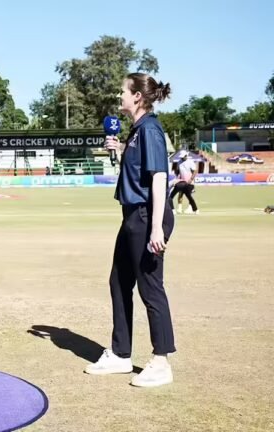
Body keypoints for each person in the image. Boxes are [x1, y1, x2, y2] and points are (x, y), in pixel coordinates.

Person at [85, 73, 177, 387]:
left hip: (147, 216)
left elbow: (159, 178)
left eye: (124, 90)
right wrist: (120, 146)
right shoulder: (137, 131)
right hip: (132, 216)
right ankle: (121, 355)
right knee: (119, 281)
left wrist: (155, 228)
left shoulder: (150, 128)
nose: (119, 94)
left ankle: (161, 361)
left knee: (151, 288)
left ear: (137, 96)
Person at [170, 150, 198, 214]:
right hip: (182, 180)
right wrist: (177, 175)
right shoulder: (179, 162)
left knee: (189, 195)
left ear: (186, 155)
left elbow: (194, 171)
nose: (182, 158)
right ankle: (179, 208)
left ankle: (190, 208)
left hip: (189, 181)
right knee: (180, 194)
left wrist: (191, 179)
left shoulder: (190, 162)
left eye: (183, 157)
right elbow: (177, 170)